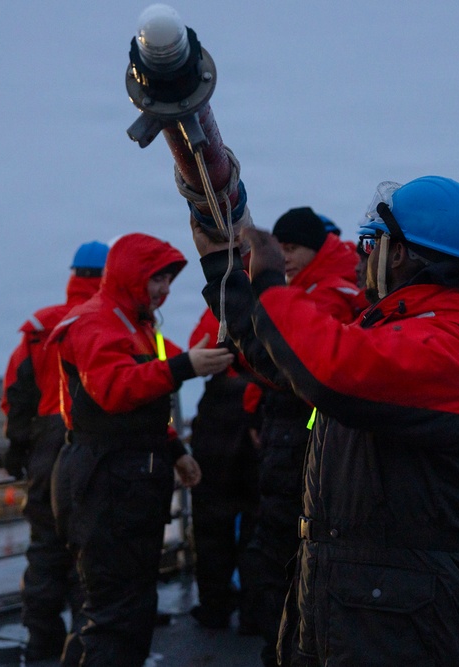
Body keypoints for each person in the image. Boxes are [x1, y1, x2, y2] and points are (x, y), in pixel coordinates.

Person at [191, 176, 459, 666]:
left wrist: (271, 283)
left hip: (400, 613)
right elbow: (283, 360)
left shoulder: (449, 344)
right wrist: (222, 265)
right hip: (364, 594)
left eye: (370, 244)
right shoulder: (400, 329)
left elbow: (329, 370)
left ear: (398, 253)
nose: (359, 258)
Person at [49, 232, 234, 667]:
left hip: (128, 479)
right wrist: (185, 366)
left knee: (125, 605)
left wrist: (176, 451)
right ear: (130, 274)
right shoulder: (96, 321)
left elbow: (144, 402)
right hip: (105, 480)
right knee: (114, 612)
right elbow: (114, 388)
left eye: (168, 280)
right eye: (156, 278)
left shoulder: (138, 324)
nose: (164, 289)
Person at [238, 206, 360, 666]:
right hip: (288, 436)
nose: (285, 257)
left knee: (280, 556)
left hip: (302, 443)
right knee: (276, 555)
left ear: (316, 249)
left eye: (293, 249)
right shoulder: (309, 289)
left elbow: (292, 363)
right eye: (281, 248)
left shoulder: (328, 294)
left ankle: (284, 651)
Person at [0, 240, 108, 663]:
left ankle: (41, 640)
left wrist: (16, 444)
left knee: (45, 546)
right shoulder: (111, 320)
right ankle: (85, 641)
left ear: (73, 275)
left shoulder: (42, 324)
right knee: (90, 546)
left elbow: (16, 390)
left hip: (46, 447)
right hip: (94, 444)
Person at [185, 307, 260, 632]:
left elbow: (197, 346)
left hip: (217, 419)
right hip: (261, 412)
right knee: (259, 522)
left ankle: (215, 606)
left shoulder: (222, 306)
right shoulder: (278, 299)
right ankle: (256, 611)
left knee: (211, 523)